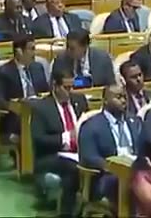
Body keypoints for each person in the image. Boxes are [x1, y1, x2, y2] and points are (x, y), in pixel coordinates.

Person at [29, 68, 88, 218]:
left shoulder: (79, 101)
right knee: (74, 168)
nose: (70, 91)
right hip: (50, 156)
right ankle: (68, 212)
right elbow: (39, 139)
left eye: (72, 87)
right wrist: (66, 137)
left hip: (79, 152)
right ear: (55, 85)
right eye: (66, 88)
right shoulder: (41, 108)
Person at [78, 84, 141, 206]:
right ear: (105, 100)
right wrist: (116, 167)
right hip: (106, 177)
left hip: (136, 170)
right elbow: (88, 157)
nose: (123, 101)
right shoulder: (90, 126)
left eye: (124, 97)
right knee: (126, 182)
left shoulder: (135, 121)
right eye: (118, 97)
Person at [0, 35, 48, 135]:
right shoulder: (3, 72)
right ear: (19, 52)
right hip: (16, 117)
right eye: (31, 49)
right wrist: (17, 106)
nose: (34, 53)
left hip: (39, 112)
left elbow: (46, 92)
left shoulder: (38, 67)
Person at [51, 28, 116, 87]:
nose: (68, 51)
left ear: (85, 47)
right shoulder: (61, 59)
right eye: (67, 47)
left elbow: (111, 84)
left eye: (72, 48)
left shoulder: (102, 58)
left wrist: (76, 82)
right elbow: (54, 84)